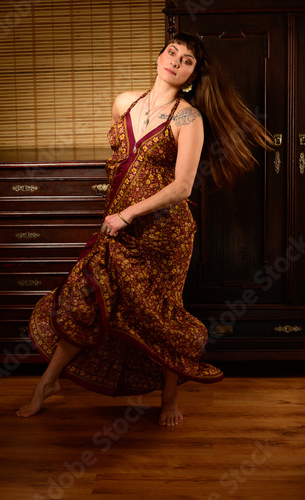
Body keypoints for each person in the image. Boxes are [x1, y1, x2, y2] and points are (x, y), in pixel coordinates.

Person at [17, 33, 273, 426]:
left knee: (159, 315)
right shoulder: (125, 102)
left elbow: (183, 186)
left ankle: (168, 399)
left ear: (190, 77)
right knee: (83, 301)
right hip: (118, 226)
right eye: (172, 52)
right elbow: (121, 158)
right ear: (159, 58)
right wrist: (118, 212)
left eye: (187, 60)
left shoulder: (188, 117)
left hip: (163, 234)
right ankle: (46, 384)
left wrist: (129, 213)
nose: (176, 61)